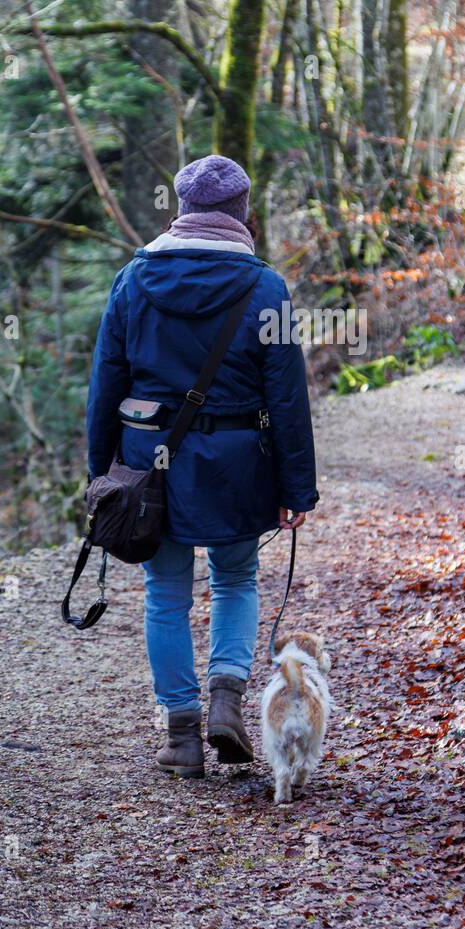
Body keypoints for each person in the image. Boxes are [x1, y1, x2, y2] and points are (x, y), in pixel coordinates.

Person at [86, 156, 319, 779]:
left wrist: (100, 471)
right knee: (235, 580)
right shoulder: (264, 287)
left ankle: (182, 737)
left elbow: (106, 383)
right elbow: (287, 396)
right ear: (243, 214)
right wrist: (298, 486)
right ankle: (226, 701)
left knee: (164, 595)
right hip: (240, 463)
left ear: (181, 211)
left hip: (148, 465)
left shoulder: (133, 281)